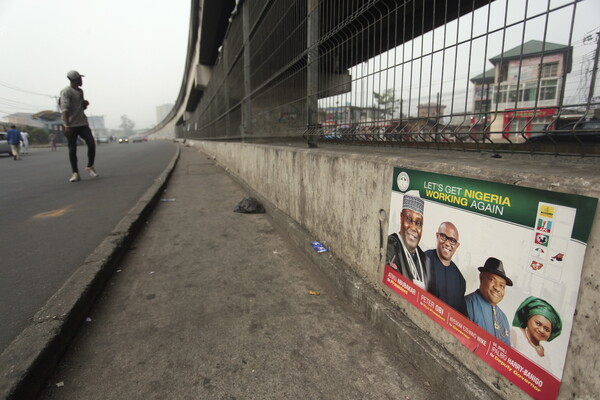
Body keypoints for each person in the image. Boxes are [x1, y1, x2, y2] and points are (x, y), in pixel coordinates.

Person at [386, 191, 431, 290]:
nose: (413, 227)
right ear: (401, 217)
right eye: (409, 220)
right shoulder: (390, 246)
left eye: (418, 223)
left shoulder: (426, 261)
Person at [59, 70, 98, 182]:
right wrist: (67, 125)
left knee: (91, 144)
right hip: (71, 125)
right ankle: (75, 173)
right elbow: (64, 109)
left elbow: (81, 108)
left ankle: (90, 166)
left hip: (82, 123)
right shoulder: (66, 92)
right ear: (74, 80)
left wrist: (85, 105)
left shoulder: (80, 91)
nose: (82, 81)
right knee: (72, 149)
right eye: (80, 79)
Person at [465, 257, 513, 345]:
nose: (497, 288)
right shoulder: (468, 304)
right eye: (492, 280)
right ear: (481, 277)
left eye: (502, 286)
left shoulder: (504, 318)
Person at [511, 296, 562, 374]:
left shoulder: (546, 354)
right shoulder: (516, 334)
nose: (541, 330)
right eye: (538, 323)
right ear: (528, 319)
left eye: (547, 329)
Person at [425, 222, 467, 316]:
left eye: (452, 240)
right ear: (437, 236)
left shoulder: (460, 280)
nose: (447, 243)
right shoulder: (422, 260)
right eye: (443, 237)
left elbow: (461, 316)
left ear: (457, 245)